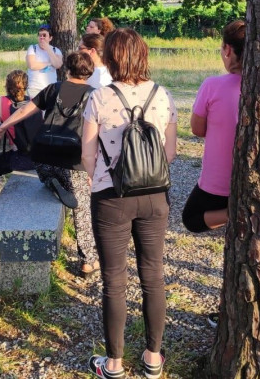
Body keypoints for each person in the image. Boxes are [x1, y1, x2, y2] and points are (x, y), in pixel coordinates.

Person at [81, 28, 177, 379]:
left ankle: (115, 364)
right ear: (143, 55)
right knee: (153, 275)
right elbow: (170, 152)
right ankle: (153, 358)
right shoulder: (163, 95)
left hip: (111, 199)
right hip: (154, 196)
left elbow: (87, 155)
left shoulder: (99, 98)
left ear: (109, 58)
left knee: (114, 280)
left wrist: (101, 177)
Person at [0, 52, 100, 276]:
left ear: (67, 69)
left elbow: (24, 110)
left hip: (43, 160)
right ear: (90, 72)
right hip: (73, 162)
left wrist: (4, 126)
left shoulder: (53, 89)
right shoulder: (94, 95)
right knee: (82, 207)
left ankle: (51, 182)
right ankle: (88, 259)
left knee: (49, 172)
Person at [182, 21, 244, 235]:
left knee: (191, 218)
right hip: (256, 176)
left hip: (219, 180)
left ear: (227, 49)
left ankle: (237, 213)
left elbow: (197, 129)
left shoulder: (212, 85)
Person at [0, 70, 37, 208]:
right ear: (26, 86)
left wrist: (3, 119)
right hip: (38, 157)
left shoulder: (2, 102)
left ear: (6, 85)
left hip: (21, 158)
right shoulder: (33, 101)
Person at [26, 24, 63, 98]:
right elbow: (32, 65)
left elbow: (58, 65)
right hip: (34, 88)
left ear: (50, 38)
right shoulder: (32, 48)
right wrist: (49, 63)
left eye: (44, 35)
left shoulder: (56, 50)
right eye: (40, 35)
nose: (42, 38)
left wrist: (48, 49)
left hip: (51, 88)